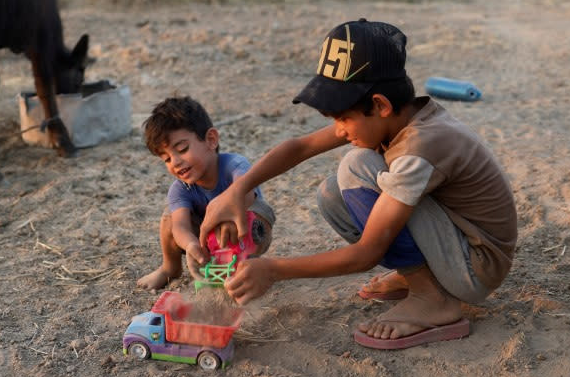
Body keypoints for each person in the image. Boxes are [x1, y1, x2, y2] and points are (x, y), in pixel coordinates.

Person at [199, 18, 517, 349]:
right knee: (332, 194)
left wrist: (273, 269)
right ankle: (422, 277)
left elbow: (367, 253)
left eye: (342, 118)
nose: (338, 128)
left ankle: (432, 297)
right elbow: (300, 147)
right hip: (454, 243)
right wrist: (236, 190)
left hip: (475, 265)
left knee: (356, 165)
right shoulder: (396, 118)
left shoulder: (420, 147)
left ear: (380, 105)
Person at [137, 96, 276, 290]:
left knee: (255, 207)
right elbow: (180, 227)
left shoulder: (233, 166)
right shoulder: (180, 189)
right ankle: (170, 268)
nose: (175, 162)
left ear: (210, 140)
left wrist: (227, 217)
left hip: (246, 232)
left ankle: (245, 266)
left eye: (182, 149)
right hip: (206, 241)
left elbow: (247, 193)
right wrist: (192, 245)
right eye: (167, 159)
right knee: (169, 218)